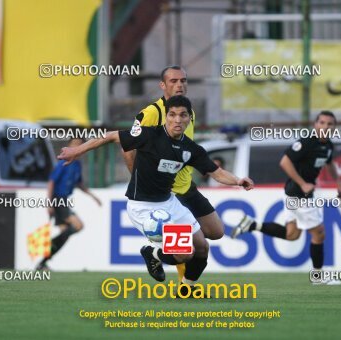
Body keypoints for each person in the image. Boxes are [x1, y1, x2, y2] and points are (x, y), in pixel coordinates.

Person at [58, 96, 254, 294]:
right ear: (166, 117)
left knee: (202, 247)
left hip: (169, 203)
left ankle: (186, 290)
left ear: (189, 119)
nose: (177, 120)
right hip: (142, 207)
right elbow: (110, 136)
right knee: (185, 254)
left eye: (183, 115)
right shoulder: (148, 135)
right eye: (172, 115)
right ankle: (153, 252)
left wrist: (238, 181)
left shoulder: (191, 149)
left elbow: (217, 172)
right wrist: (77, 150)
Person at [122, 65, 225, 281]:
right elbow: (128, 148)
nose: (179, 85)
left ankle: (163, 252)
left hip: (185, 186)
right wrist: (140, 180)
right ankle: (185, 284)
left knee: (215, 232)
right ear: (163, 85)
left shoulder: (189, 112)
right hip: (164, 193)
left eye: (183, 81)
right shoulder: (152, 113)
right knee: (189, 248)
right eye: (173, 81)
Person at [231, 111, 341, 285]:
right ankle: (318, 276)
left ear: (334, 127)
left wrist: (338, 183)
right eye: (322, 123)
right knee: (319, 233)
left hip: (293, 193)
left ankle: (252, 224)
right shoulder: (307, 142)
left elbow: (329, 164)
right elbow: (285, 161)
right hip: (300, 193)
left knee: (292, 234)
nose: (325, 127)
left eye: (330, 124)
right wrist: (303, 183)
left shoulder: (328, 145)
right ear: (316, 124)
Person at [36, 138, 102, 270]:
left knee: (65, 234)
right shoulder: (63, 163)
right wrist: (49, 203)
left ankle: (43, 262)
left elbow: (79, 184)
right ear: (70, 147)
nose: (77, 148)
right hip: (58, 199)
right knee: (78, 225)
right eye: (74, 145)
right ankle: (46, 246)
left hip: (64, 200)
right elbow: (51, 182)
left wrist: (93, 197)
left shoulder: (77, 165)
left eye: (80, 145)